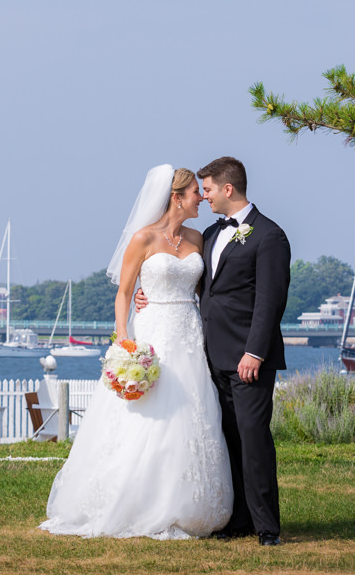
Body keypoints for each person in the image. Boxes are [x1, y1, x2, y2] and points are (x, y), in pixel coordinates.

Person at [38, 165, 234, 539]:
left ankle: (188, 503)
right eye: (196, 192)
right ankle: (134, 501)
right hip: (152, 333)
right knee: (145, 415)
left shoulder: (198, 239)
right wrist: (124, 342)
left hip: (189, 335)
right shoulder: (142, 239)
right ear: (177, 197)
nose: (201, 198)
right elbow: (125, 293)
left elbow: (206, 289)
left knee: (192, 412)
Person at [196, 156, 291, 546]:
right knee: (229, 441)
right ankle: (239, 520)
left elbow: (271, 300)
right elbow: (203, 290)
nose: (204, 198)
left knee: (254, 441)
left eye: (208, 190)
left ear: (228, 189)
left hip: (250, 359)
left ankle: (267, 527)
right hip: (212, 357)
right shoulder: (208, 234)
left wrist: (254, 352)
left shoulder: (270, 236)